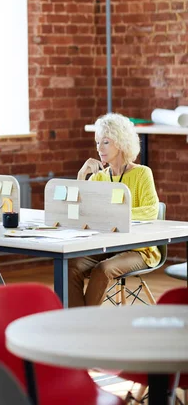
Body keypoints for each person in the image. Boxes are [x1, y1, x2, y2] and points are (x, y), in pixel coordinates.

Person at [68, 112, 160, 308]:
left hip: (139, 249)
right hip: (107, 246)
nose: (99, 148)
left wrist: (114, 215)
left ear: (120, 142)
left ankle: (85, 326)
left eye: (106, 142)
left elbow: (151, 210)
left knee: (104, 269)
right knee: (71, 266)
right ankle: (77, 324)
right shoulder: (99, 177)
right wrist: (81, 176)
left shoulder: (142, 173)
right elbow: (78, 212)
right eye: (97, 142)